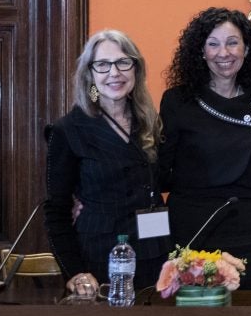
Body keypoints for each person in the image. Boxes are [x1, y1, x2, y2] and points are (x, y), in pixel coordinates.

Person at [45, 30, 170, 296]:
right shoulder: (69, 129)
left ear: (136, 70)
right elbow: (56, 211)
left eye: (123, 62)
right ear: (89, 74)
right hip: (101, 259)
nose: (114, 73)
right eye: (102, 65)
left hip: (155, 254)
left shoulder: (149, 122)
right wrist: (75, 271)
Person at [159, 7, 251, 289]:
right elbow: (159, 170)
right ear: (201, 51)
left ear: (247, 50)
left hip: (246, 228)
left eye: (232, 42)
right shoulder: (177, 101)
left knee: (249, 315)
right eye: (213, 44)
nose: (224, 53)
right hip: (190, 226)